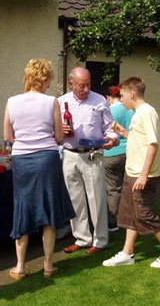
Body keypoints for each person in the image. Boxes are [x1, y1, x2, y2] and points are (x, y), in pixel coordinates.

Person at [4, 58, 75, 279]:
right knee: (48, 209)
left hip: (21, 160)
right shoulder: (51, 101)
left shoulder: (12, 101)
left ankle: (20, 267)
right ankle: (48, 265)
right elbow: (59, 136)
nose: (49, 84)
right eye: (49, 80)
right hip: (47, 158)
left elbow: (8, 137)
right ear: (43, 79)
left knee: (23, 208)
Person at [102, 76, 160, 268]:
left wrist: (144, 175)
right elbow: (139, 139)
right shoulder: (138, 113)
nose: (121, 100)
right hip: (132, 172)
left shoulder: (147, 112)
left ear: (132, 94)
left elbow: (152, 144)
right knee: (130, 214)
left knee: (145, 213)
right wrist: (124, 133)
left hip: (142, 175)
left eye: (122, 96)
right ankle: (127, 253)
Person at [58, 66, 119, 254]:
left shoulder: (99, 100)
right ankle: (82, 238)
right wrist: (59, 129)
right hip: (69, 154)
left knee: (96, 199)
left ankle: (100, 240)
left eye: (88, 84)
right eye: (81, 86)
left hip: (92, 154)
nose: (85, 89)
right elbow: (53, 131)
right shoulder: (61, 102)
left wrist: (112, 140)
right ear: (71, 84)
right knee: (75, 199)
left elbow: (110, 128)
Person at [104, 85, 134, 232]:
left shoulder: (109, 110)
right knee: (126, 186)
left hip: (112, 153)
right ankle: (129, 217)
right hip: (129, 151)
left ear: (109, 97)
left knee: (112, 189)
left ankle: (113, 222)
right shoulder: (130, 109)